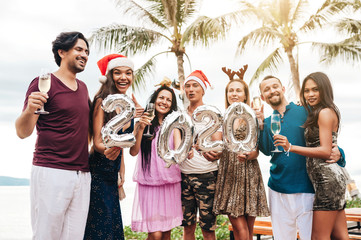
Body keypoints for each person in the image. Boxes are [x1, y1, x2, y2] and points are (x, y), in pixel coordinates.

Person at [15, 31, 91, 239]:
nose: (84, 54)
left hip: (82, 174)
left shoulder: (84, 88)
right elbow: (22, 132)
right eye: (78, 49)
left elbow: (86, 129)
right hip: (51, 171)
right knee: (45, 235)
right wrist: (30, 109)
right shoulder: (43, 82)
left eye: (86, 51)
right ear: (62, 52)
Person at [257, 75, 345, 240]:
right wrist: (261, 125)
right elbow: (268, 150)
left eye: (275, 86)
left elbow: (327, 137)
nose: (271, 91)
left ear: (283, 89)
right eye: (266, 89)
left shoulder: (307, 110)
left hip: (307, 188)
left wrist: (340, 152)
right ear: (263, 97)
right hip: (278, 189)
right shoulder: (268, 122)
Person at [84, 54, 143, 240]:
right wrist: (108, 151)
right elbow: (98, 142)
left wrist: (121, 168)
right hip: (98, 172)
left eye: (128, 73)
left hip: (113, 172)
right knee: (100, 227)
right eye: (118, 73)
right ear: (110, 76)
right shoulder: (102, 101)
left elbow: (127, 146)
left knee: (112, 225)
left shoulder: (128, 106)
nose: (123, 77)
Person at [213, 66, 270, 240]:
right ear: (227, 95)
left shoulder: (252, 115)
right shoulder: (221, 117)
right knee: (238, 226)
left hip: (248, 171)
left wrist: (247, 155)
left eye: (238, 90)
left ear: (245, 95)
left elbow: (256, 151)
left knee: (246, 229)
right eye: (231, 91)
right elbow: (218, 147)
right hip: (229, 171)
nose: (234, 94)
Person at [130, 83, 186, 240]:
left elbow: (179, 151)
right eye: (161, 97)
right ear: (154, 100)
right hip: (149, 183)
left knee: (166, 233)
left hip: (170, 183)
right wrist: (140, 127)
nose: (164, 102)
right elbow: (133, 152)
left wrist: (188, 151)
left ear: (172, 105)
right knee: (155, 234)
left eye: (169, 100)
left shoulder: (175, 126)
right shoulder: (143, 124)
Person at [180, 70, 222, 240]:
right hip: (183, 177)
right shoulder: (180, 115)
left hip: (207, 176)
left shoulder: (212, 114)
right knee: (187, 227)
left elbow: (217, 146)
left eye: (195, 85)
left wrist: (211, 152)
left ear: (203, 90)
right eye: (188, 86)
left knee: (208, 229)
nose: (191, 89)